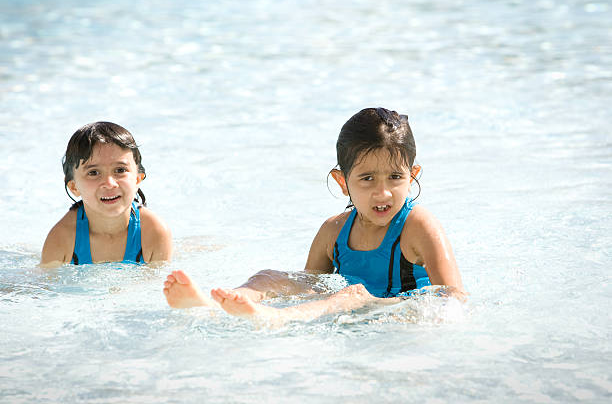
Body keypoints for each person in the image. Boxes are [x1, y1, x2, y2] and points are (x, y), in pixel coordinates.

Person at [163, 108, 465, 323]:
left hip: (392, 317)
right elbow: (309, 289)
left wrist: (369, 303)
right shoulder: (333, 231)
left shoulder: (419, 227)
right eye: (367, 179)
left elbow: (455, 300)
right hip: (347, 305)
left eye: (395, 178)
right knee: (268, 277)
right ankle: (211, 306)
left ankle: (273, 320)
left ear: (412, 177)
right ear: (342, 181)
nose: (383, 193)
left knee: (347, 296)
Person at [41, 121, 172, 267]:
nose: (109, 183)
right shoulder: (62, 239)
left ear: (137, 179)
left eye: (120, 170)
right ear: (74, 186)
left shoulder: (154, 233)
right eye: (94, 172)